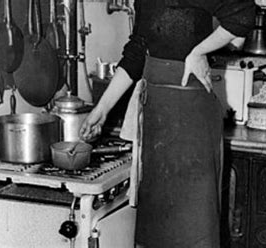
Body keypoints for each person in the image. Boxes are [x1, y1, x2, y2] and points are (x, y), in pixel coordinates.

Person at [80, 0, 256, 247]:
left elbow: (244, 14)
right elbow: (137, 51)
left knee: (194, 224)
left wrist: (199, 51)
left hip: (191, 117)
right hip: (157, 118)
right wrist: (103, 108)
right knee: (158, 228)